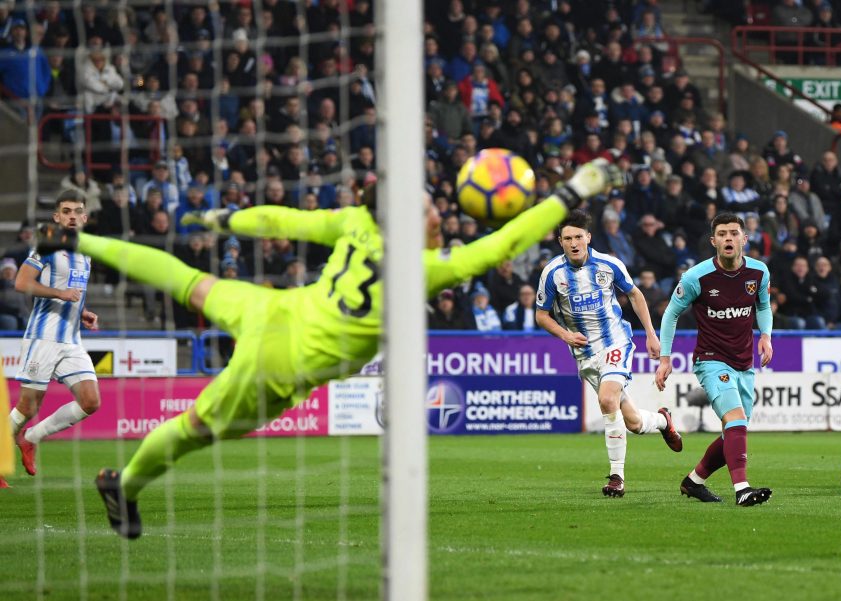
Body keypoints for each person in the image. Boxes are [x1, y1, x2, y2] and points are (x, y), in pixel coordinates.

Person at [33, 158, 623, 538]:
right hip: (279, 365)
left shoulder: (355, 224)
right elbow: (504, 242)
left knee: (189, 281)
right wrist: (569, 191)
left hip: (273, 307)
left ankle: (82, 240)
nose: (435, 209)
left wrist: (222, 221)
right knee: (194, 429)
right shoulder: (425, 270)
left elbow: (281, 219)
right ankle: (124, 484)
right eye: (425, 207)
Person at [536, 209, 682, 498]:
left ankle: (617, 477)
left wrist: (652, 335)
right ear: (560, 242)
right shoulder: (552, 274)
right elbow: (541, 315)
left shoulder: (609, 264)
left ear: (588, 238)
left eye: (579, 236)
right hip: (584, 353)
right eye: (568, 238)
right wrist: (565, 335)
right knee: (635, 424)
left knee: (606, 399)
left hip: (615, 340)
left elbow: (636, 295)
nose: (575, 242)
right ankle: (663, 420)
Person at [656, 212, 774, 507]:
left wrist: (766, 336)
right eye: (722, 234)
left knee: (734, 432)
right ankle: (743, 488)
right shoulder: (696, 277)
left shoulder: (759, 272)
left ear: (745, 239)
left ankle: (693, 482)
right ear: (713, 241)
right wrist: (665, 358)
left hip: (744, 362)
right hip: (711, 360)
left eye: (734, 233)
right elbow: (671, 314)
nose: (728, 238)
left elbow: (763, 306)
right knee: (735, 420)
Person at [1, 191, 100, 490]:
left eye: (77, 211)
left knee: (90, 401)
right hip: (42, 339)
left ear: (84, 217)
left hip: (71, 340)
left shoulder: (86, 254)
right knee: (27, 408)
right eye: (66, 211)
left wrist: (83, 311)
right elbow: (21, 283)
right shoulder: (45, 247)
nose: (72, 216)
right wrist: (59, 294)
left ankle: (31, 439)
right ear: (56, 217)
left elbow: (73, 292)